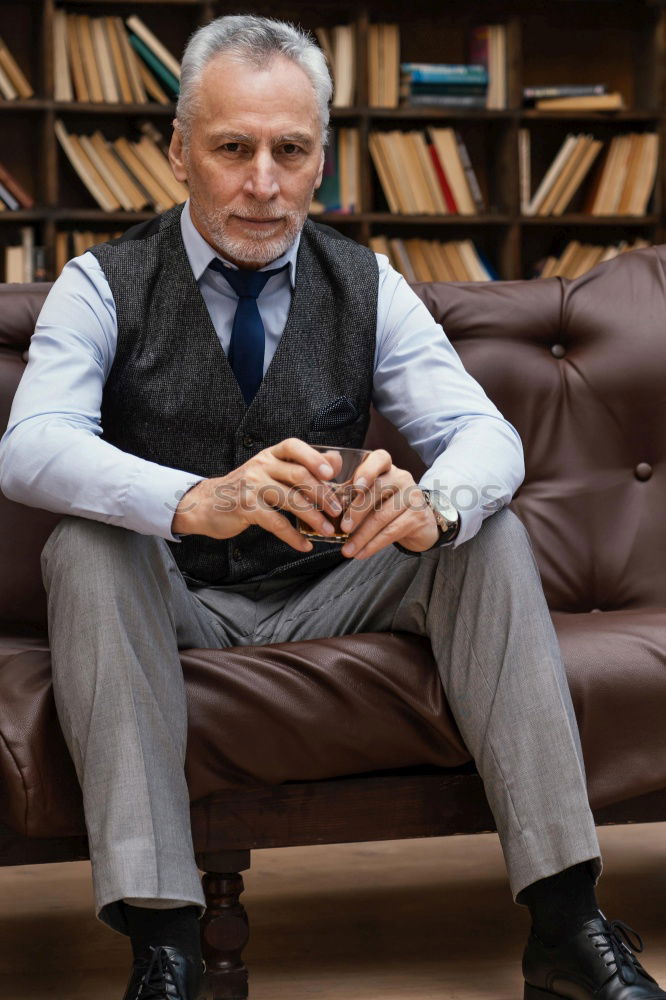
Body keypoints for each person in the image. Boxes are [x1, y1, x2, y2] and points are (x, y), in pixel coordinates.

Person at [0, 14, 663, 1000]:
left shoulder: (371, 285)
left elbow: (490, 439)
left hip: (327, 588)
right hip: (168, 596)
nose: (261, 183)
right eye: (233, 149)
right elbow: (31, 447)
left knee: (486, 531)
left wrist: (429, 504)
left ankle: (566, 922)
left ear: (322, 164)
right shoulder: (102, 284)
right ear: (180, 150)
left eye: (289, 151)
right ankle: (166, 946)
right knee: (88, 548)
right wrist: (195, 499)